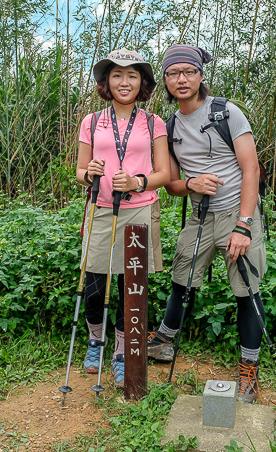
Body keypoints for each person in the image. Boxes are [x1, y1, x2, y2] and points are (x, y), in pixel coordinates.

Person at [147, 44, 267, 403]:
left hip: (237, 213)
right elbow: (170, 183)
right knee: (182, 279)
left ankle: (249, 371)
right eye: (172, 73)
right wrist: (191, 184)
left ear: (201, 75)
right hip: (200, 215)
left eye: (188, 72)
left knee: (247, 291)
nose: (181, 79)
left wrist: (244, 226)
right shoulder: (168, 126)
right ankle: (165, 340)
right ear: (165, 80)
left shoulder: (226, 112)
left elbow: (252, 168)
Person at [76, 48, 170, 388]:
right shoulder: (91, 120)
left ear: (142, 82)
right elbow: (79, 171)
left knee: (131, 285)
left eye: (132, 75)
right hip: (101, 209)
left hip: (140, 210)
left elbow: (164, 172)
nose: (124, 81)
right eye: (117, 74)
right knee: (95, 283)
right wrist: (91, 174)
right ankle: (94, 341)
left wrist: (136, 182)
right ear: (107, 81)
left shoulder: (152, 121)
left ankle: (120, 350)